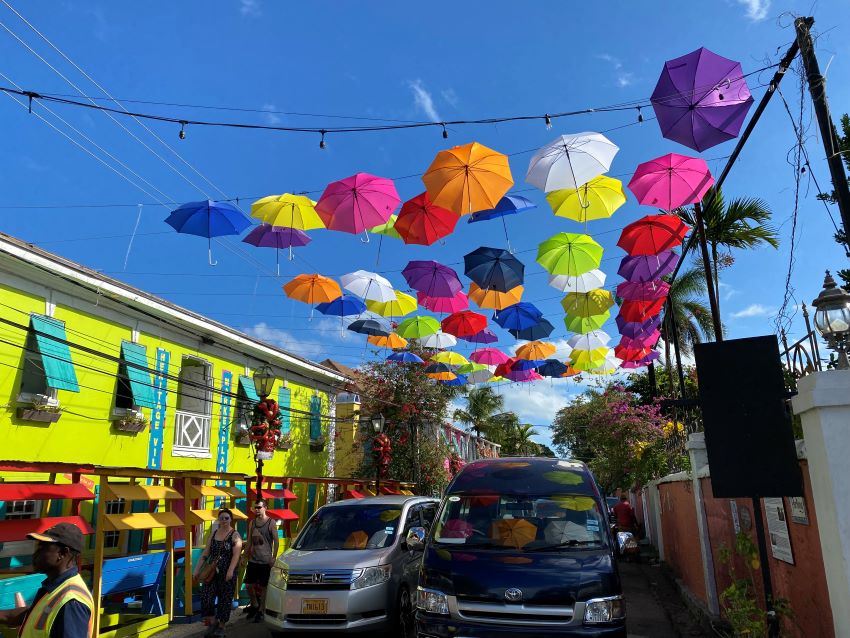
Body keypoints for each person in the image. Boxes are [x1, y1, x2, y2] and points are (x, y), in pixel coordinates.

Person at [0, 522, 94, 638]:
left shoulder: (71, 602)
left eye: (42, 548)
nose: (35, 554)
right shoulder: (56, 588)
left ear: (62, 553)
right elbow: (30, 615)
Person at [194, 508, 242, 637]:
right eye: (222, 518)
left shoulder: (235, 535)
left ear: (231, 519)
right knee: (206, 596)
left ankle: (221, 627)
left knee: (225, 599)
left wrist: (231, 570)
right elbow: (205, 553)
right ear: (218, 520)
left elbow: (236, 556)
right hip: (212, 571)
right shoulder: (214, 533)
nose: (224, 520)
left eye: (227, 518)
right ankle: (213, 621)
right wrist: (197, 569)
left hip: (227, 571)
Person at [242, 499, 278, 623]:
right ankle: (255, 604)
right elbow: (249, 542)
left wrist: (273, 557)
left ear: (265, 507)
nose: (256, 510)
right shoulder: (252, 523)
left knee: (264, 587)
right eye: (255, 508)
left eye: (259, 507)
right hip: (253, 559)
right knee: (248, 585)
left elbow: (276, 541)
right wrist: (244, 556)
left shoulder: (271, 523)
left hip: (265, 560)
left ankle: (261, 610)